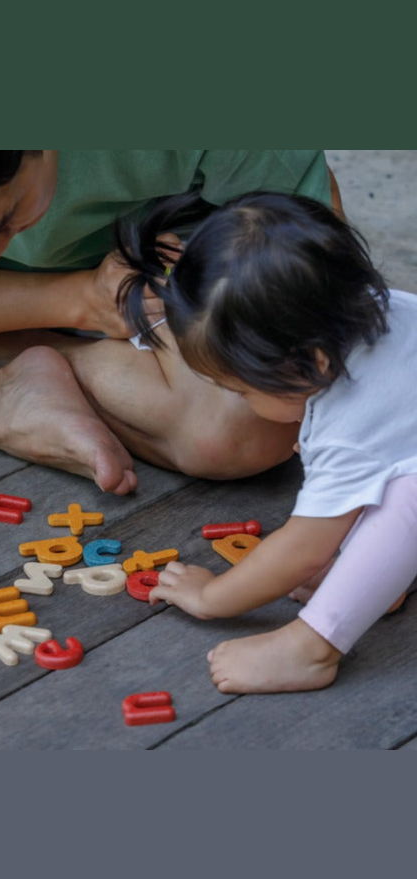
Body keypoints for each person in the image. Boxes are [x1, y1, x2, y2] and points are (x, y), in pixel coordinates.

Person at [0, 150, 338, 494]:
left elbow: (308, 256)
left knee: (244, 423)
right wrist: (75, 299)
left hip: (169, 280)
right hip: (40, 303)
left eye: (2, 221)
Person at [114, 190, 417, 693]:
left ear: (314, 362)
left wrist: (213, 596)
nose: (241, 403)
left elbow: (301, 550)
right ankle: (381, 580)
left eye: (241, 390)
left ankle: (311, 648)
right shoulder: (387, 308)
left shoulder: (350, 430)